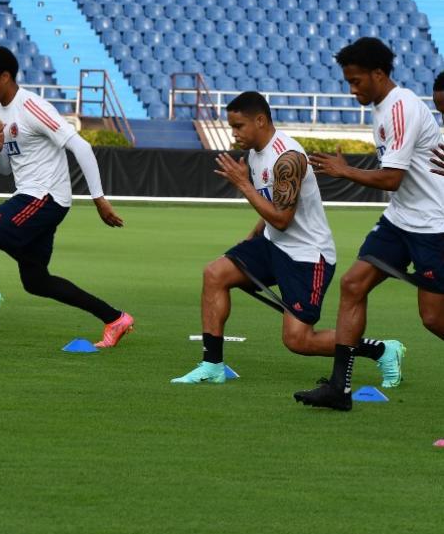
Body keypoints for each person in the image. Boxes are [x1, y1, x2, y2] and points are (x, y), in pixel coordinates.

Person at [171, 91, 403, 385]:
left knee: (298, 340)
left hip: (307, 256)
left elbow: (282, 218)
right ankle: (212, 365)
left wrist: (243, 185)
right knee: (215, 274)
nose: (234, 133)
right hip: (273, 244)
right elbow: (271, 205)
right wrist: (252, 238)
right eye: (232, 127)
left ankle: (382, 350)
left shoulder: (287, 159)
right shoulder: (256, 154)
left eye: (238, 126)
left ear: (260, 120)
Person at [0, 46, 133, 349]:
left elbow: (82, 148)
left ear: (6, 77)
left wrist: (99, 199)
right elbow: (5, 169)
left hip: (44, 197)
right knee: (36, 281)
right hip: (33, 196)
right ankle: (115, 318)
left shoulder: (32, 106)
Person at [296, 37, 444, 411]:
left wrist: (345, 171)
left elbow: (391, 178)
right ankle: (338, 389)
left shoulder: (401, 108)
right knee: (352, 284)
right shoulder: (382, 107)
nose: (352, 89)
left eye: (357, 80)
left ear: (379, 74)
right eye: (348, 81)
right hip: (399, 220)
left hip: (433, 226)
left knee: (433, 318)